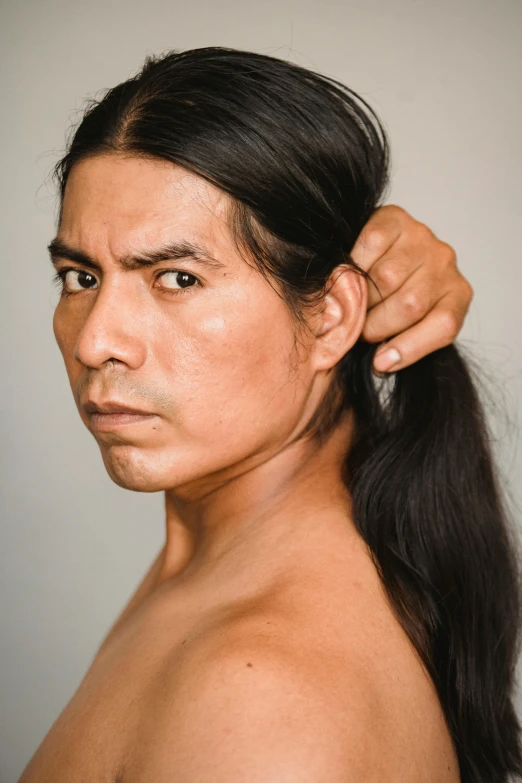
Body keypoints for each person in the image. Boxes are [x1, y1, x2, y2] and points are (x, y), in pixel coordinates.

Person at [18, 47, 522, 783]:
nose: (96, 339)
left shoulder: (264, 693)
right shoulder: (218, 558)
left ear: (333, 316)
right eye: (80, 276)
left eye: (177, 278)